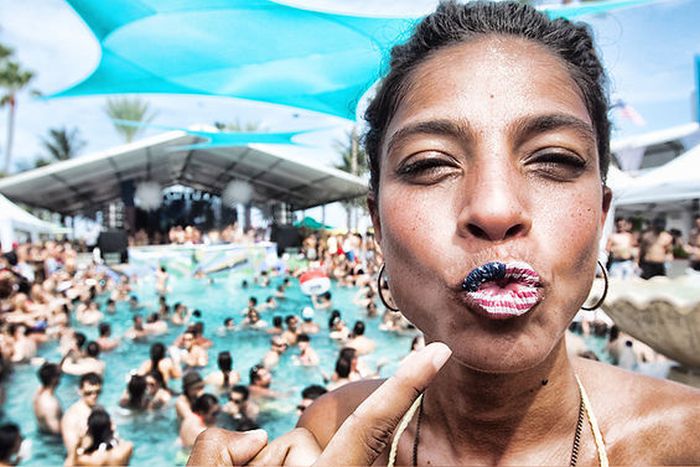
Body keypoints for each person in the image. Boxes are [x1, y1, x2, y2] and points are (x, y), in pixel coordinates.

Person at [189, 2, 700, 466]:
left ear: (602, 214)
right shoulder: (330, 437)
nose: (496, 209)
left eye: (554, 159)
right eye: (431, 164)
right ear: (378, 226)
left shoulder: (686, 440)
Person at [61, 373, 102, 458]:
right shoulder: (71, 417)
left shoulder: (100, 409)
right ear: (80, 391)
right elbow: (72, 453)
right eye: (88, 393)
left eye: (98, 392)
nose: (94, 396)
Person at [34, 362, 62, 435]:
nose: (61, 378)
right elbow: (56, 431)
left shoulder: (38, 394)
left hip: (42, 433)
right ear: (54, 379)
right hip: (53, 442)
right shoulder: (50, 404)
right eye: (59, 375)